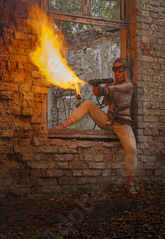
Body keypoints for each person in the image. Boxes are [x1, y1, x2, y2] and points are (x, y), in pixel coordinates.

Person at [56, 58, 138, 194]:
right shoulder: (113, 86)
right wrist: (100, 92)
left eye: (120, 69)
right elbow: (106, 103)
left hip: (122, 124)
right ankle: (64, 125)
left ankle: (130, 183)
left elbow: (119, 88)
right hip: (108, 121)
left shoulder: (128, 85)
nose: (117, 72)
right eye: (115, 69)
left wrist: (106, 89)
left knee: (132, 148)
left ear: (126, 70)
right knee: (88, 104)